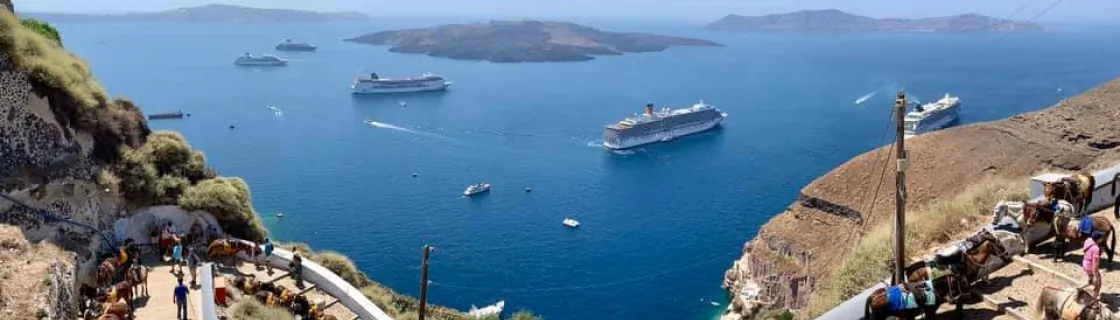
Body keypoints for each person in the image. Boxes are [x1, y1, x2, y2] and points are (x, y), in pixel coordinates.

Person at [1082, 231, 1103, 305]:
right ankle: (1093, 302)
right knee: (1098, 284)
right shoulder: (1096, 248)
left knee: (1090, 281)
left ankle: (1079, 289)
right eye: (1101, 238)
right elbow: (1095, 264)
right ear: (1099, 239)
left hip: (1085, 263)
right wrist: (1096, 276)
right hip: (1090, 266)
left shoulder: (1088, 240)